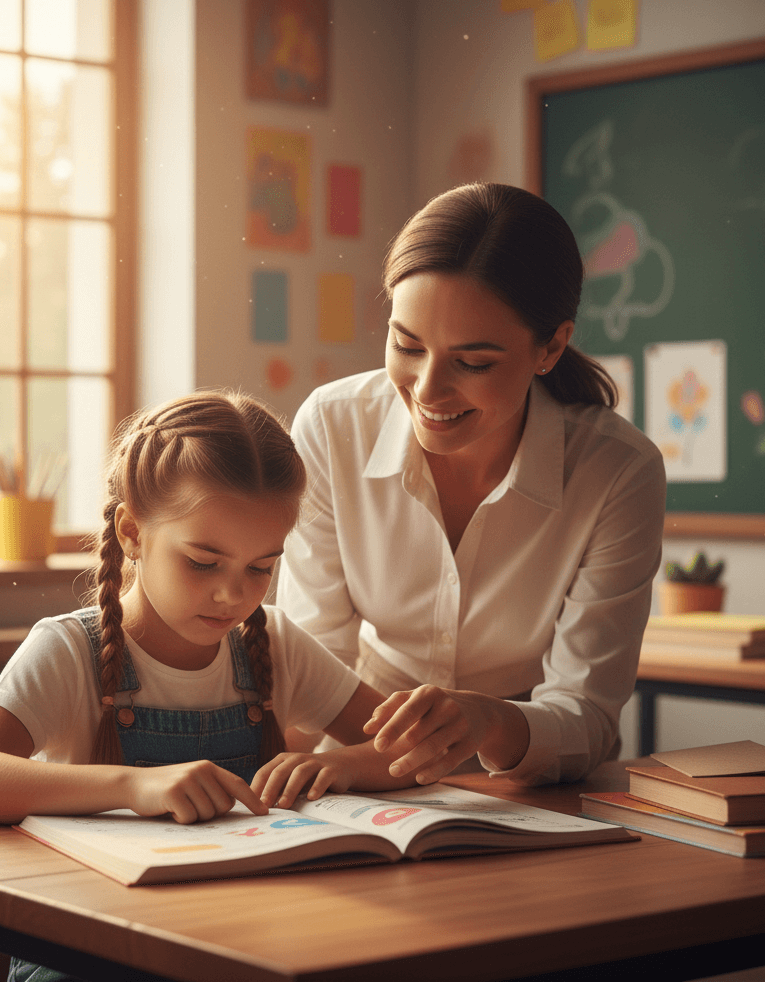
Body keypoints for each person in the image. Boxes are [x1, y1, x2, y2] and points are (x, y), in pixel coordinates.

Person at [0, 391, 420, 982]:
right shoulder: (67, 650)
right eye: (204, 563)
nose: (233, 595)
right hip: (88, 949)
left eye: (260, 568)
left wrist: (346, 766)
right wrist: (135, 786)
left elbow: (416, 750)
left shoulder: (275, 644)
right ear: (132, 533)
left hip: (241, 937)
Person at [276, 183, 667, 787]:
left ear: (551, 347)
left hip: (527, 784)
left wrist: (486, 723)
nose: (428, 390)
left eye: (474, 363)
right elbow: (310, 666)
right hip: (354, 763)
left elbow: (585, 715)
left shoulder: (616, 471)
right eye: (406, 345)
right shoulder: (333, 427)